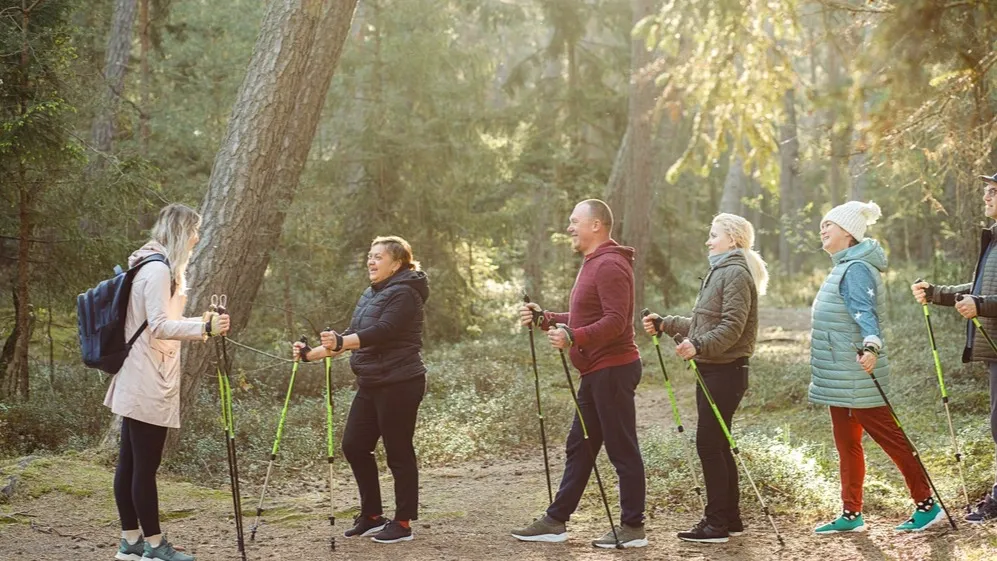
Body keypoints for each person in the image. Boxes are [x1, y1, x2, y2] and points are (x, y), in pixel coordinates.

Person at [511, 199, 647, 549]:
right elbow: (587, 318)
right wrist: (548, 319)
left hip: (613, 370)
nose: (569, 227)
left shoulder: (611, 265)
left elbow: (617, 322)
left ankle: (633, 528)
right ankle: (556, 521)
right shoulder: (593, 263)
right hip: (596, 371)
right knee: (580, 446)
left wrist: (575, 336)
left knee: (622, 450)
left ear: (596, 225)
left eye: (575, 221)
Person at [104, 203, 230, 561]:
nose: (197, 238)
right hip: (148, 378)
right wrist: (205, 328)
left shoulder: (149, 265)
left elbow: (160, 319)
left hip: (140, 374)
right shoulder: (158, 270)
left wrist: (199, 322)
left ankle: (131, 542)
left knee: (129, 463)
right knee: (143, 466)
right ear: (181, 232)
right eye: (194, 230)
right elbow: (159, 327)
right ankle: (155, 547)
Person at [811, 201, 943, 534]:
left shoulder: (855, 268)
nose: (822, 229)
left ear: (848, 233)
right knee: (847, 445)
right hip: (839, 375)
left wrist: (872, 345)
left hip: (858, 372)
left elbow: (864, 312)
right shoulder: (843, 265)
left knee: (892, 440)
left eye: (829, 224)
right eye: (822, 224)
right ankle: (851, 514)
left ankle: (927, 506)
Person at [294, 236, 429, 545]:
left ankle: (404, 522)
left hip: (400, 382)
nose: (371, 261)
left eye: (378, 257)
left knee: (398, 452)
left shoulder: (407, 293)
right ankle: (371, 516)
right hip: (371, 381)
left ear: (397, 263)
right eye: (369, 256)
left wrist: (341, 343)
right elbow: (353, 335)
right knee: (354, 445)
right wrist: (310, 354)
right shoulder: (371, 293)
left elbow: (383, 332)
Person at [642, 213, 767, 544]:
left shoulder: (735, 273)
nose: (708, 240)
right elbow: (705, 322)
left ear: (733, 239)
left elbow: (732, 326)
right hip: (716, 368)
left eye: (714, 235)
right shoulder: (722, 271)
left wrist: (697, 345)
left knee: (709, 444)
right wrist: (667, 323)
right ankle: (731, 519)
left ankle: (715, 525)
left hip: (725, 370)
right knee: (719, 444)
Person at [912, 171, 997, 524]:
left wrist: (982, 304)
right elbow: (977, 286)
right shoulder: (993, 240)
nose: (986, 197)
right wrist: (938, 294)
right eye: (987, 191)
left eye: (993, 191)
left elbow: (983, 296)